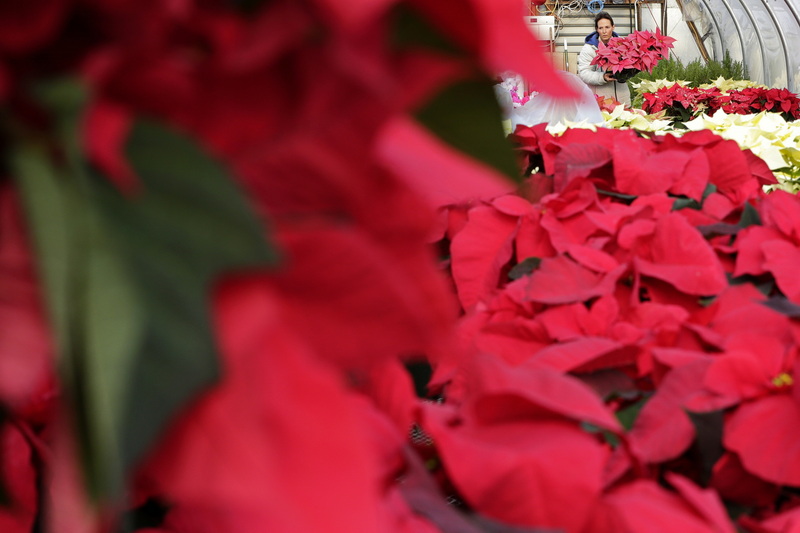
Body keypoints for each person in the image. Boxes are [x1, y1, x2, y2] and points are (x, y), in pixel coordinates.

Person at [577, 11, 631, 107]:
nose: (604, 31)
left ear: (613, 27)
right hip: (601, 99)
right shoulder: (589, 48)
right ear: (597, 29)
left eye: (607, 27)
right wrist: (602, 77)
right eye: (601, 28)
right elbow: (584, 73)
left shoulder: (623, 44)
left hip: (622, 96)